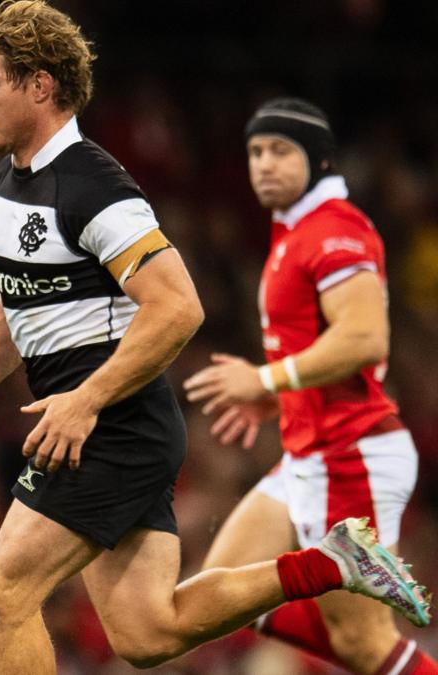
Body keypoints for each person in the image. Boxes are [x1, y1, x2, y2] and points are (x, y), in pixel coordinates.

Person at [0, 2, 430, 673]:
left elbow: (178, 308)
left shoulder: (96, 187)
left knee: (3, 592)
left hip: (109, 426)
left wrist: (86, 400)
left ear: (40, 86)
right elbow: (18, 293)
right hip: (97, 425)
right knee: (148, 632)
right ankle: (327, 562)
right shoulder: (6, 182)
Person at [184, 98, 438, 675]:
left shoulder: (335, 229)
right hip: (310, 454)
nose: (264, 164)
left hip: (351, 454)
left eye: (281, 151)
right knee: (226, 602)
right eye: (255, 152)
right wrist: (278, 397)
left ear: (321, 160)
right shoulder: (296, 234)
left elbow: (366, 339)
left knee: (367, 645)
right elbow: (330, 349)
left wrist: (266, 376)